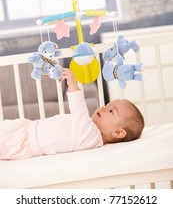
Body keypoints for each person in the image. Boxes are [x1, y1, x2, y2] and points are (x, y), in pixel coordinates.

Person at [0, 68, 144, 160]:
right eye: (107, 105)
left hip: (22, 142)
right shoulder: (88, 127)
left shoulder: (91, 136)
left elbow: (78, 109)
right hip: (24, 127)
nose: (104, 108)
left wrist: (73, 84)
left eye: (112, 111)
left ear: (118, 132)